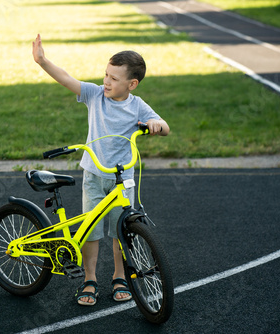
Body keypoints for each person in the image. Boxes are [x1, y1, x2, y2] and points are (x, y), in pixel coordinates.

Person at [32, 34, 170, 306]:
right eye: (106, 74)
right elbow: (66, 78)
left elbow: (164, 126)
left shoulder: (137, 105)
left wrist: (156, 126)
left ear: (132, 84)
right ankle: (89, 278)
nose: (107, 81)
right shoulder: (95, 95)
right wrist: (42, 61)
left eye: (114, 78)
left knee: (123, 233)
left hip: (123, 179)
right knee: (92, 233)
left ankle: (120, 276)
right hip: (94, 176)